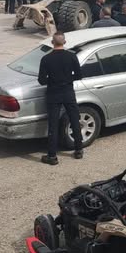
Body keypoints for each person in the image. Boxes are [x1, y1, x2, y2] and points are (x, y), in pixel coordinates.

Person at [37, 32, 84, 165]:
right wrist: (67, 79)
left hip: (53, 94)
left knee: (53, 124)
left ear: (52, 42)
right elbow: (79, 75)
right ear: (64, 42)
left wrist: (53, 80)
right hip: (68, 92)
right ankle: (78, 150)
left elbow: (41, 80)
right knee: (74, 119)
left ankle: (52, 156)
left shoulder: (46, 59)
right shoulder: (72, 56)